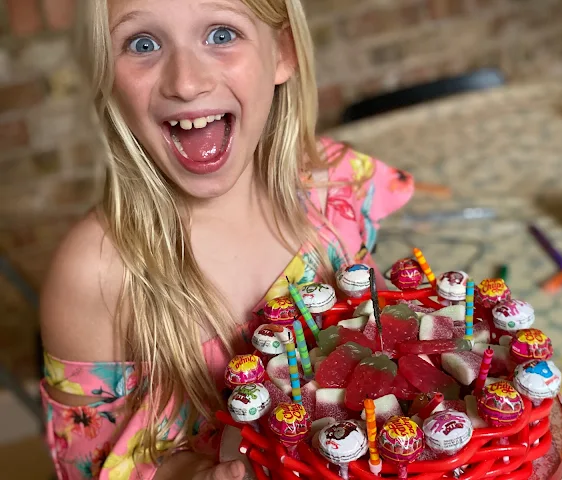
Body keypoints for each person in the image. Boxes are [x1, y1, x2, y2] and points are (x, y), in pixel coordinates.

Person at [40, 0, 414, 478]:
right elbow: (85, 466)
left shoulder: (335, 188)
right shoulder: (96, 272)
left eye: (220, 35)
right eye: (143, 44)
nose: (186, 81)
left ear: (282, 51)